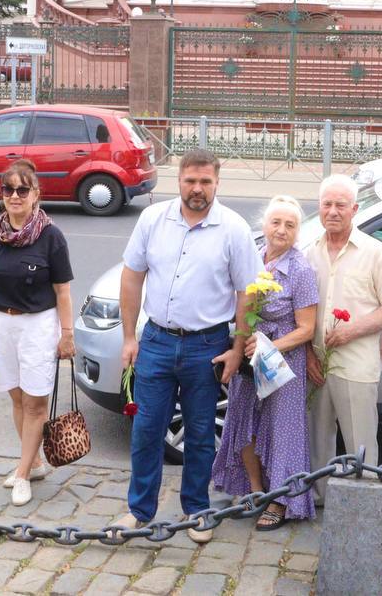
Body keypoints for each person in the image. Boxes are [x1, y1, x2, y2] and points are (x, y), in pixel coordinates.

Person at [117, 149, 261, 543]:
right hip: (158, 341)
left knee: (200, 433)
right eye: (190, 181)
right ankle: (139, 510)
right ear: (178, 180)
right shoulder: (152, 219)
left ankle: (196, 509)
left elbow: (248, 292)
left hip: (207, 346)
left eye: (206, 182)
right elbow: (132, 277)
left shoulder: (232, 228)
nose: (197, 189)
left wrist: (237, 346)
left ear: (217, 182)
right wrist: (130, 336)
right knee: (147, 429)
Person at [0, 160, 75, 506]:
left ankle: (23, 472)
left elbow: (63, 292)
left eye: (22, 189)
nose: (14, 196)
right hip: (4, 323)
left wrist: (67, 333)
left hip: (38, 325)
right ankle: (36, 461)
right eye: (8, 189)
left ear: (35, 194)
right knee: (16, 398)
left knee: (35, 402)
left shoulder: (50, 236)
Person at [212, 195, 318, 530]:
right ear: (264, 225)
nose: (282, 230)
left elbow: (307, 328)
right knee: (244, 422)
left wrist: (271, 345)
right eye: (276, 222)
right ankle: (255, 490)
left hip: (283, 363)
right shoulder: (254, 258)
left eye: (290, 225)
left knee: (283, 431)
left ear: (298, 232)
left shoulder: (300, 270)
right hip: (249, 354)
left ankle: (281, 499)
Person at [304, 174, 382, 506]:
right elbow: (301, 311)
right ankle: (318, 498)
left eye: (341, 205)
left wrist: (352, 330)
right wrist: (308, 354)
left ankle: (365, 505)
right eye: (327, 204)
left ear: (355, 209)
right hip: (317, 363)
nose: (333, 211)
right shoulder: (309, 253)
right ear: (319, 208)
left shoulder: (374, 252)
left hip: (356, 363)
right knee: (317, 438)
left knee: (360, 440)